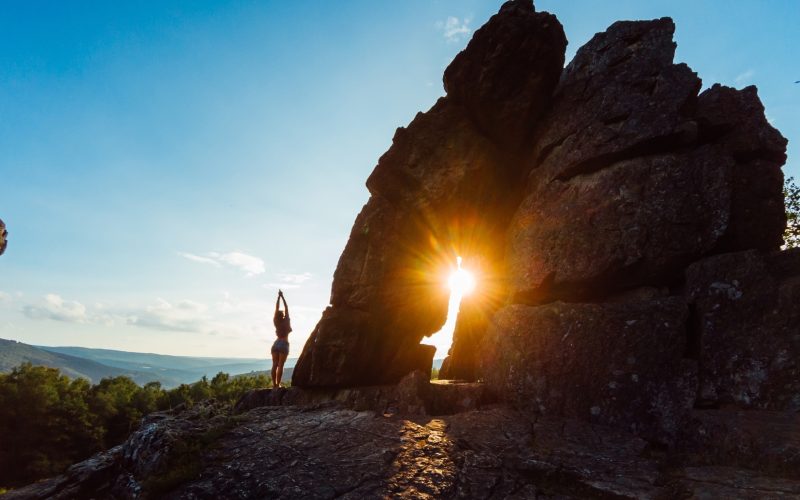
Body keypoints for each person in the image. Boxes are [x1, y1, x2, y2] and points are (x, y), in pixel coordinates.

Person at [270, 289, 292, 388]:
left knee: (274, 364)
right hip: (284, 343)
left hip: (276, 343)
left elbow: (276, 308)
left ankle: (274, 384)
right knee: (281, 365)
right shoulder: (286, 320)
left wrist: (278, 297)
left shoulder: (276, 321)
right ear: (283, 315)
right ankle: (278, 384)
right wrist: (282, 297)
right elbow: (286, 307)